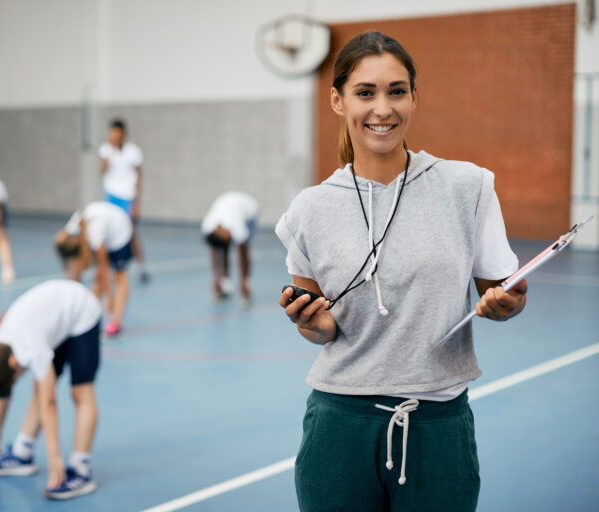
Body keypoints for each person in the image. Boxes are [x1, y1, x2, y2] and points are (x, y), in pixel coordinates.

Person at [275, 31, 528, 512]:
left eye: (396, 91)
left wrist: (507, 304)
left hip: (437, 425)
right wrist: (313, 323)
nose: (382, 109)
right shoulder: (309, 209)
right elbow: (321, 328)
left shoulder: (467, 187)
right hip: (337, 425)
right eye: (365, 92)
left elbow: (504, 294)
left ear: (414, 97)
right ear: (338, 100)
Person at [0, 279, 101, 500]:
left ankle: (81, 468)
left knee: (80, 391)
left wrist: (54, 457)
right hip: (54, 320)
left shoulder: (31, 348)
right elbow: (2, 394)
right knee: (39, 386)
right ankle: (23, 452)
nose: (15, 382)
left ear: (14, 363)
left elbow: (49, 403)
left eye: (13, 381)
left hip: (81, 311)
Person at [55, 201, 133, 337]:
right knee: (96, 279)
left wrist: (109, 297)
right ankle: (89, 315)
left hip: (119, 231)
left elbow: (103, 267)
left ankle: (115, 322)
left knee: (120, 276)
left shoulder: (95, 233)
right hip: (101, 230)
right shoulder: (69, 234)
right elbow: (75, 272)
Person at [99, 119, 149, 283]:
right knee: (109, 233)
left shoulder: (133, 151)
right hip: (111, 196)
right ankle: (111, 267)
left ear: (123, 134)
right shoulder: (106, 149)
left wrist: (136, 204)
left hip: (127, 197)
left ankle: (141, 267)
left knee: (131, 232)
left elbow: (138, 177)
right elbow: (103, 171)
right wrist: (109, 153)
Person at [201, 191, 259, 302]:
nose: (229, 241)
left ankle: (246, 282)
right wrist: (217, 279)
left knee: (244, 246)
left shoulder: (236, 225)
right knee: (222, 249)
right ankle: (225, 282)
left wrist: (244, 281)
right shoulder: (207, 227)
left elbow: (243, 253)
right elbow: (215, 253)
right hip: (227, 201)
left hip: (250, 211)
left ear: (219, 227)